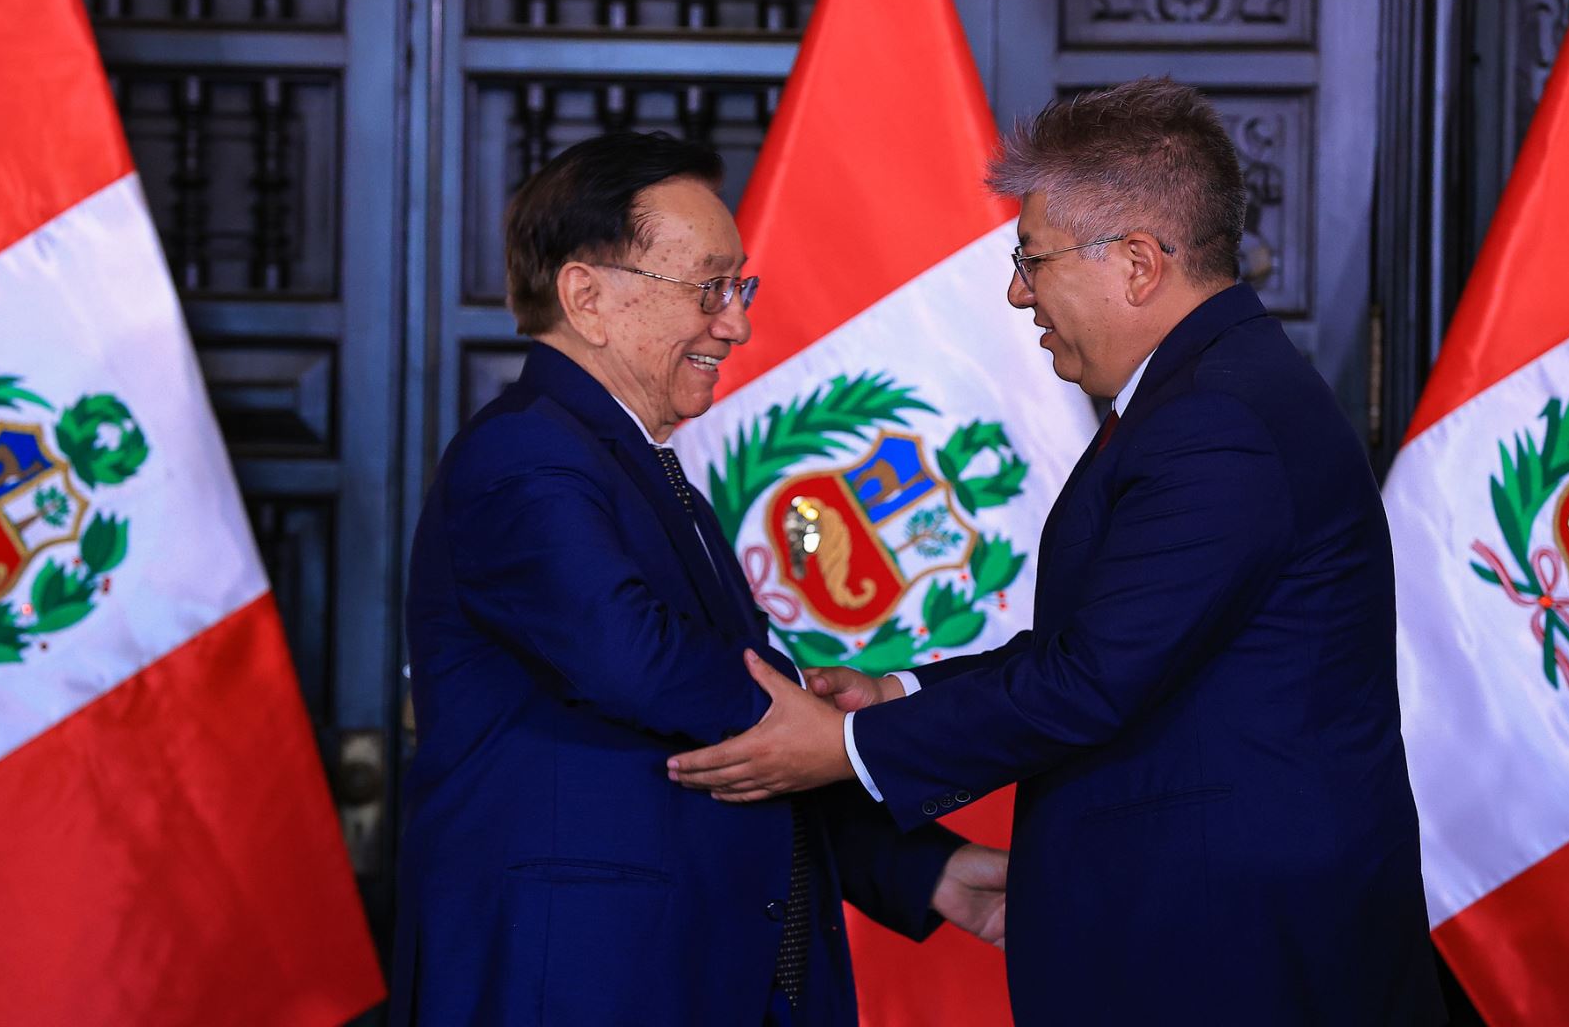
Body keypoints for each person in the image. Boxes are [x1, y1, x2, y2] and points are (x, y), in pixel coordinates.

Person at [669, 81, 1445, 1025]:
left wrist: (846, 747)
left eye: (1031, 258)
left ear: (1136, 264)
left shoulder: (1216, 420)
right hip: (1211, 929)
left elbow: (1093, 682)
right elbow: (1102, 646)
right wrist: (901, 693)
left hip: (1229, 950)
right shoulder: (1206, 392)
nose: (1016, 289)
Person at [390, 131, 1006, 1026]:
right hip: (583, 981)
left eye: (739, 286)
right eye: (708, 288)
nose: (738, 322)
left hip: (687, 969)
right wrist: (833, 711)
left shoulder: (637, 462)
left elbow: (730, 746)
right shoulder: (525, 454)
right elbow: (634, 660)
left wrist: (929, 872)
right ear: (587, 296)